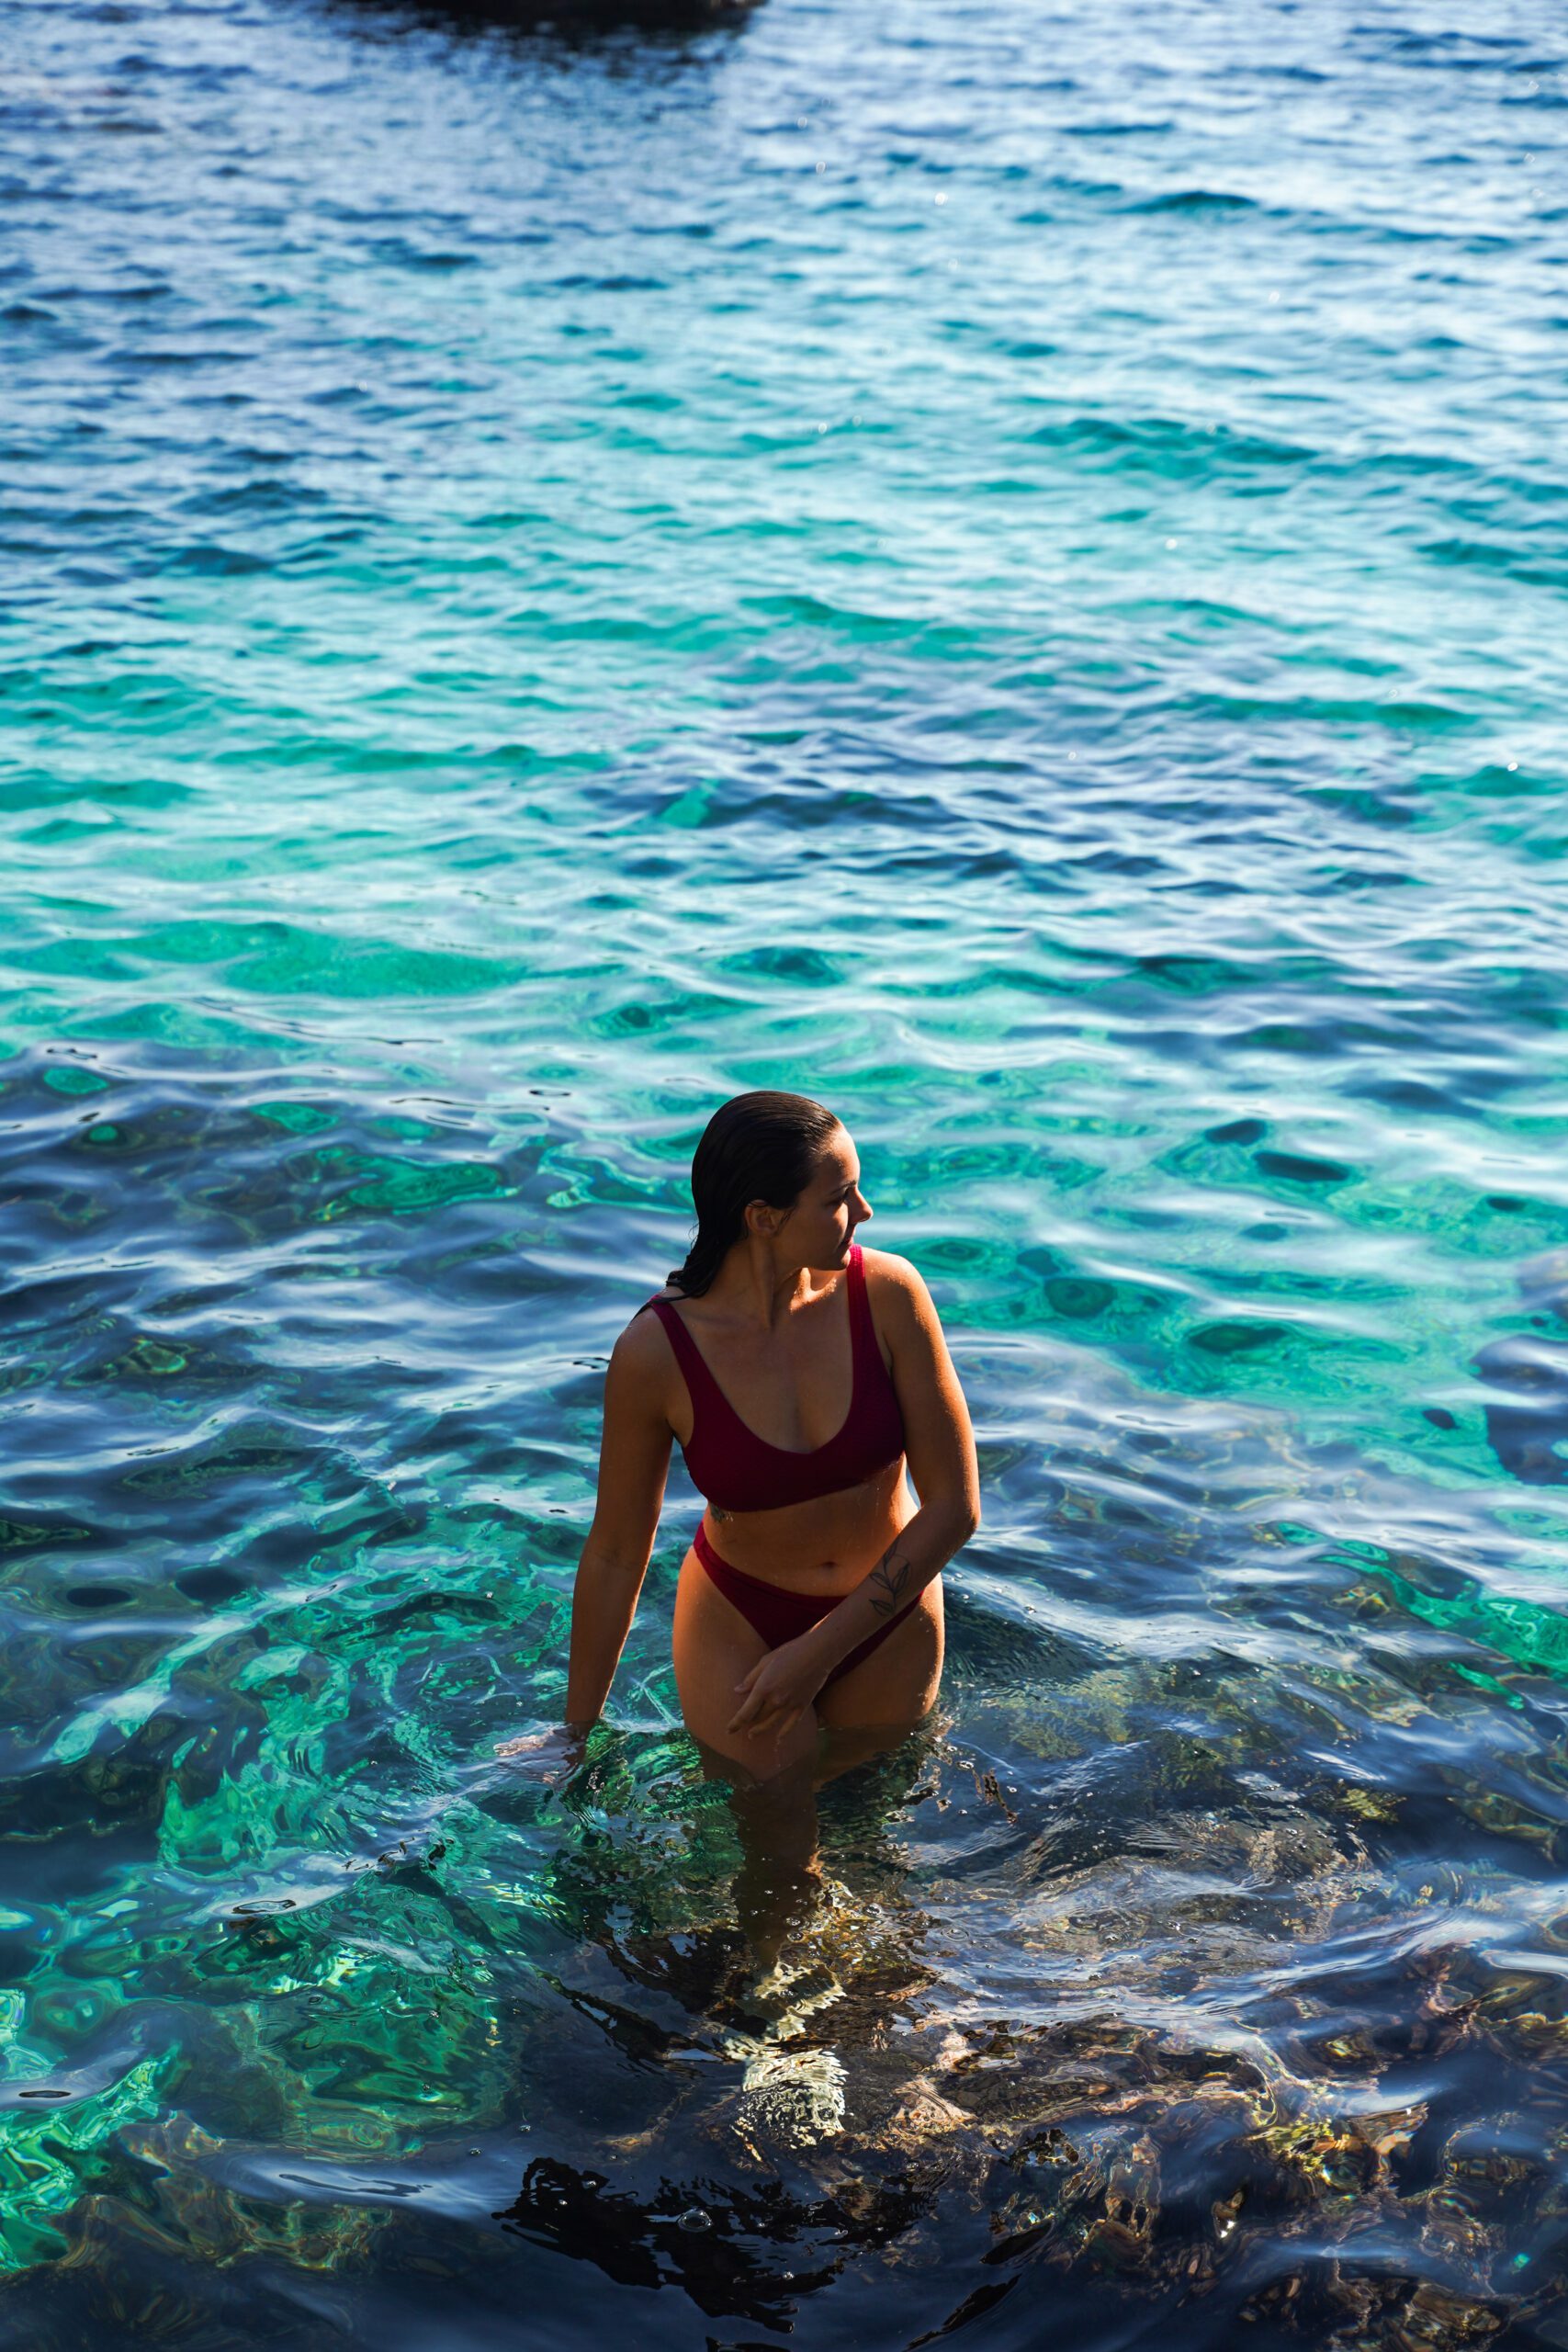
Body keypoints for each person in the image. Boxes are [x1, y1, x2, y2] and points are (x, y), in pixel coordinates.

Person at [499, 1090, 980, 1957]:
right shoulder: (656, 1352)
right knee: (777, 1867)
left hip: (888, 1615)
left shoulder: (888, 1296)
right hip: (739, 1622)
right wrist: (576, 1735)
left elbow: (953, 1508)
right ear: (762, 1216)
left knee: (877, 1829)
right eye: (839, 1197)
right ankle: (775, 2041)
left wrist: (816, 1654)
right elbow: (614, 1552)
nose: (863, 1212)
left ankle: (867, 2019)